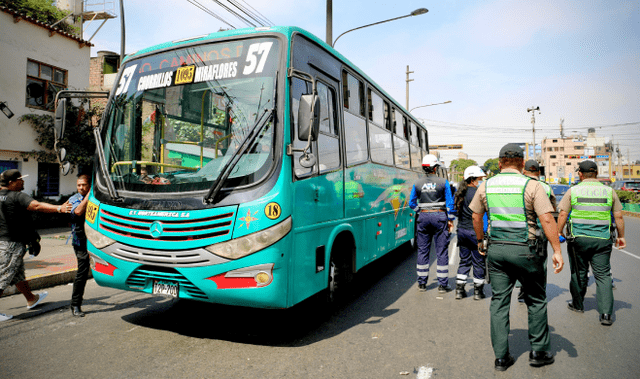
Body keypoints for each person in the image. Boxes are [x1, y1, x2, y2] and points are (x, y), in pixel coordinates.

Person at [469, 144, 564, 371]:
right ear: (522, 163)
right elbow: (547, 219)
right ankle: (538, 353)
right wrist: (557, 250)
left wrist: (481, 241)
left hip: (498, 251)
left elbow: (475, 215)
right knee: (536, 299)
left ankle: (501, 358)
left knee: (499, 302)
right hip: (527, 251)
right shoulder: (532, 185)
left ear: (500, 163)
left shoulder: (486, 186)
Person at [556, 160, 626, 326]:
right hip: (602, 240)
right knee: (603, 275)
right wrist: (621, 236)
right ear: (596, 174)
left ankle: (578, 305)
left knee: (579, 272)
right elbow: (619, 217)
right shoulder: (609, 192)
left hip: (578, 240)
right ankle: (606, 314)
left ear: (580, 173)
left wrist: (559, 232)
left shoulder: (573, 191)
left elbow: (562, 214)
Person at [0, 169, 72, 321]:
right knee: (4, 276)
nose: (23, 181)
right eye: (20, 179)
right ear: (11, 182)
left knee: (17, 273)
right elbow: (37, 206)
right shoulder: (17, 196)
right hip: (11, 244)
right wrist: (59, 208)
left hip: (2, 242)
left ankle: (31, 298)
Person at [408, 154, 456, 293]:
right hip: (439, 216)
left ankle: (422, 284)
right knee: (441, 251)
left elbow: (412, 203)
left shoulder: (417, 183)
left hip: (423, 217)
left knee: (423, 251)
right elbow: (450, 203)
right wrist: (451, 219)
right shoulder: (443, 182)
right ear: (435, 168)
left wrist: (421, 211)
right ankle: (442, 285)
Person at [515, 160, 557, 302]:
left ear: (524, 171)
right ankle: (539, 291)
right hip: (542, 231)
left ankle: (522, 291)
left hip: (523, 230)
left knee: (523, 258)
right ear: (539, 172)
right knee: (541, 261)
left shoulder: (521, 185)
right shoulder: (546, 187)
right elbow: (552, 211)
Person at [454, 165, 487, 300]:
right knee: (478, 261)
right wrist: (481, 239)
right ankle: (478, 293)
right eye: (479, 179)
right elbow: (479, 216)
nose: (479, 181)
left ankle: (459, 291)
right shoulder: (478, 193)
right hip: (474, 232)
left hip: (462, 231)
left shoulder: (460, 192)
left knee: (464, 261)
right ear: (473, 179)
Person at [68, 174, 92, 317]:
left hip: (96, 239)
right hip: (80, 241)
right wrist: (89, 196)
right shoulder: (74, 199)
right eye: (79, 185)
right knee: (82, 273)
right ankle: (75, 305)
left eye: (84, 185)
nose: (81, 188)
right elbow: (78, 211)